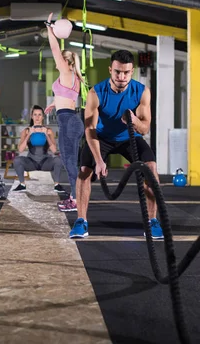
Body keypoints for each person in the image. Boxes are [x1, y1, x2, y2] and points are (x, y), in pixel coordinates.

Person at [69, 50, 164, 239]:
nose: (121, 77)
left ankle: (152, 222)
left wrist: (133, 120)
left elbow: (144, 129)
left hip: (128, 138)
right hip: (101, 137)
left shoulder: (142, 91)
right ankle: (81, 221)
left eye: (126, 73)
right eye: (117, 72)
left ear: (132, 71)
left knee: (151, 169)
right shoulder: (96, 92)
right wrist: (99, 160)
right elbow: (90, 129)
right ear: (110, 70)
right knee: (84, 171)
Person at [44, 13, 85, 212]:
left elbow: (54, 49)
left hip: (69, 121)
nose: (57, 63)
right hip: (69, 119)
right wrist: (53, 104)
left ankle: (76, 200)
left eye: (61, 61)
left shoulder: (67, 72)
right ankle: (75, 197)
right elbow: (66, 97)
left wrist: (49, 28)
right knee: (70, 161)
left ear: (67, 62)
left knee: (70, 163)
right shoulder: (73, 78)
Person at [12, 105, 65, 193]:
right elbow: (20, 150)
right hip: (31, 162)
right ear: (32, 116)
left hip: (45, 162)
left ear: (43, 117)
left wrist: (46, 135)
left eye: (39, 115)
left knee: (58, 160)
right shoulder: (26, 131)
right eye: (35, 115)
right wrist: (29, 134)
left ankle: (57, 185)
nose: (37, 117)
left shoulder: (48, 131)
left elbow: (54, 150)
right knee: (17, 160)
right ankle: (22, 184)